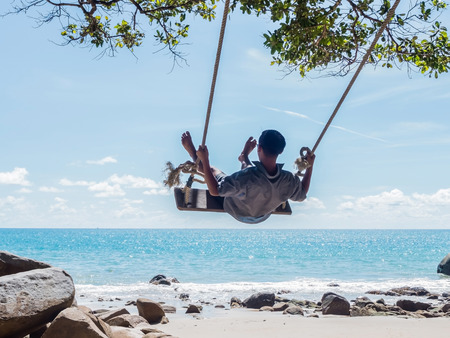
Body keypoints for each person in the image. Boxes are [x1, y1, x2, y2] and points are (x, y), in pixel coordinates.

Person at [181, 130, 315, 224]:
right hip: (262, 215)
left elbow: (215, 191)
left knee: (212, 170)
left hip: (237, 210)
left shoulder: (245, 177)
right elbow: (302, 193)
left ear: (259, 148)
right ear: (281, 151)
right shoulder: (288, 179)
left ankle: (193, 154)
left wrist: (205, 159)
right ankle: (244, 157)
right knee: (251, 173)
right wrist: (310, 166)